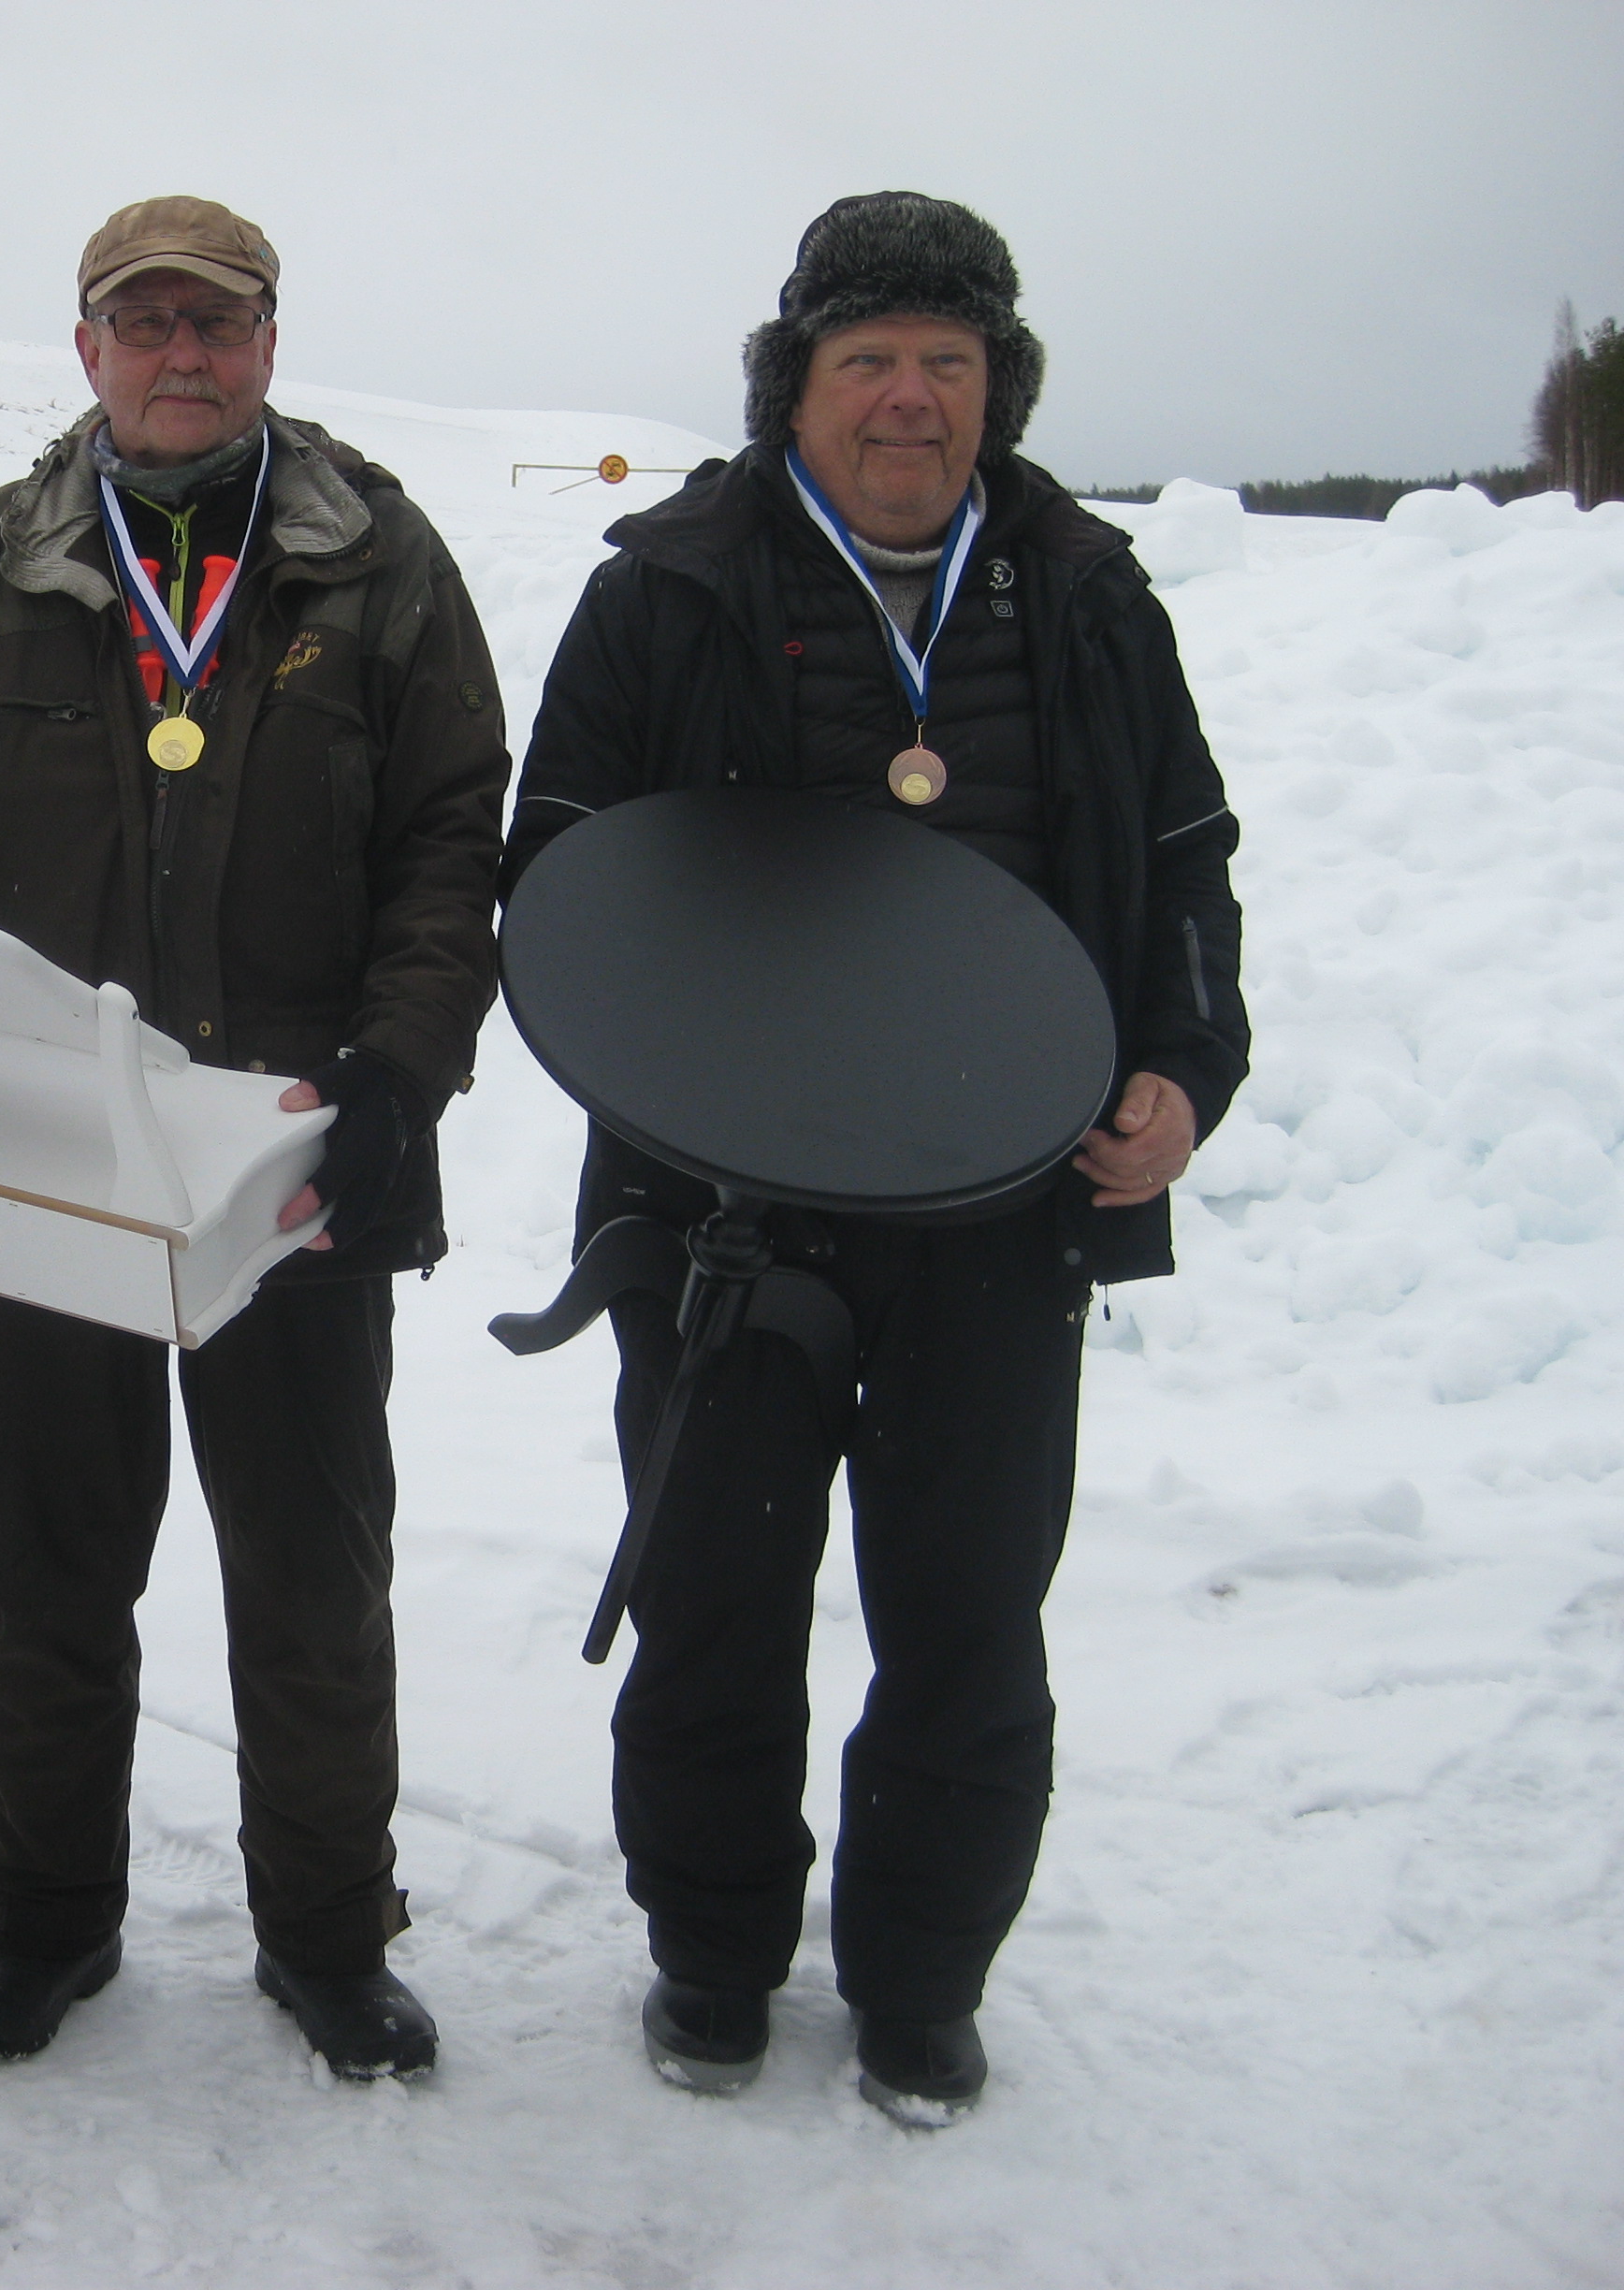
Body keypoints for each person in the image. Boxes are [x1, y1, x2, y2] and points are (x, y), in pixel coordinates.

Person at [0, 196, 509, 2078]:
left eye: (214, 325)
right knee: (46, 1572)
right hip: (41, 1167)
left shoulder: (380, 568)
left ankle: (327, 1937)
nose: (180, 355)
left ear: (263, 343)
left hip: (286, 1169)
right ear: (85, 350)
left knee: (313, 1581)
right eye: (141, 323)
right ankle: (50, 1924)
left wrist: (402, 1078)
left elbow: (452, 842)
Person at [501, 192, 1249, 2121]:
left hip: (999, 1219)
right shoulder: (666, 588)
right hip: (720, 1221)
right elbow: (563, 867)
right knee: (718, 1611)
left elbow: (1180, 862)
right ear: (795, 389)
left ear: (998, 387)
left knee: (968, 1620)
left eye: (949, 361)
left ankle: (920, 1977)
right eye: (868, 362)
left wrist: (1180, 1070)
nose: (910, 401)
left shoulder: (1088, 595)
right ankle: (715, 1954)